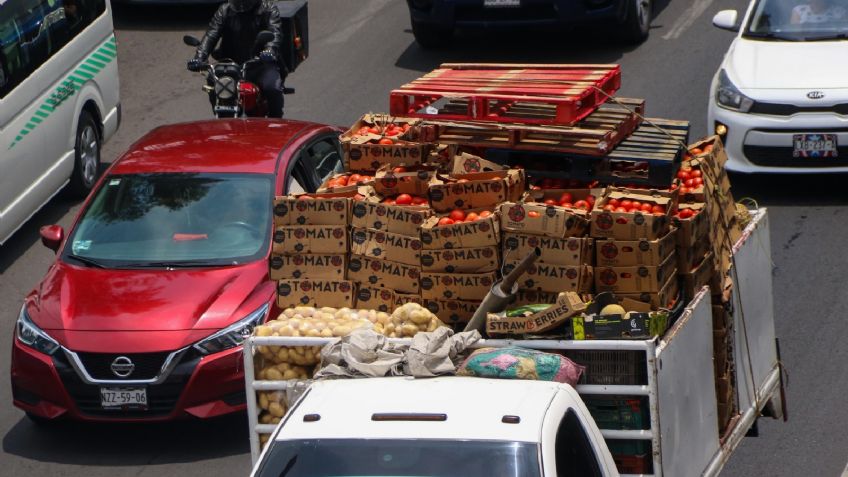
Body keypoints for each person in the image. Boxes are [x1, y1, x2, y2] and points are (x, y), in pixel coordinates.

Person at [187, 0, 286, 118]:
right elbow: (211, 34)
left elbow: (275, 33)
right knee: (212, 81)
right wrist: (199, 57)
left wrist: (269, 50)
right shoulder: (224, 10)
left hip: (261, 63)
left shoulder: (268, 9)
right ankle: (220, 114)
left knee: (272, 88)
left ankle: (276, 121)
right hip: (232, 64)